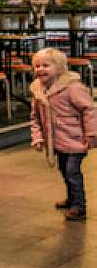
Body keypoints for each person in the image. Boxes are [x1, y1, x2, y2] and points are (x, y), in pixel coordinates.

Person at [30, 47, 97, 221]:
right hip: (57, 142)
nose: (41, 69)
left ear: (59, 67)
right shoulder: (38, 91)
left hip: (76, 140)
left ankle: (79, 207)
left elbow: (89, 109)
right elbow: (35, 117)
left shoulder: (72, 88)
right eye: (37, 66)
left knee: (72, 171)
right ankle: (72, 198)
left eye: (46, 65)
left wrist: (91, 133)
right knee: (64, 169)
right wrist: (37, 137)